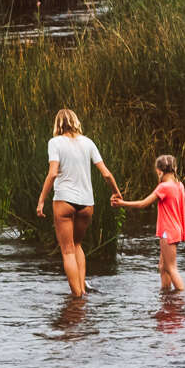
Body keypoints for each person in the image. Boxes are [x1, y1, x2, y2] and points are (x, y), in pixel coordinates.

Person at [34, 107, 119, 299]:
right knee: (78, 245)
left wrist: (41, 200)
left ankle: (77, 297)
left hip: (64, 200)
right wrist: (116, 192)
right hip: (87, 203)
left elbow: (53, 172)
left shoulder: (55, 142)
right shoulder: (88, 142)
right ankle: (82, 290)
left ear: (57, 125)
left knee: (67, 250)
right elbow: (106, 173)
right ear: (76, 122)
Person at [114, 153, 185, 295]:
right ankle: (166, 294)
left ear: (159, 171)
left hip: (168, 231)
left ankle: (181, 297)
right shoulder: (180, 185)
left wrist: (122, 204)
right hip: (176, 230)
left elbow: (143, 204)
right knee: (162, 266)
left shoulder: (164, 187)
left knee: (171, 268)